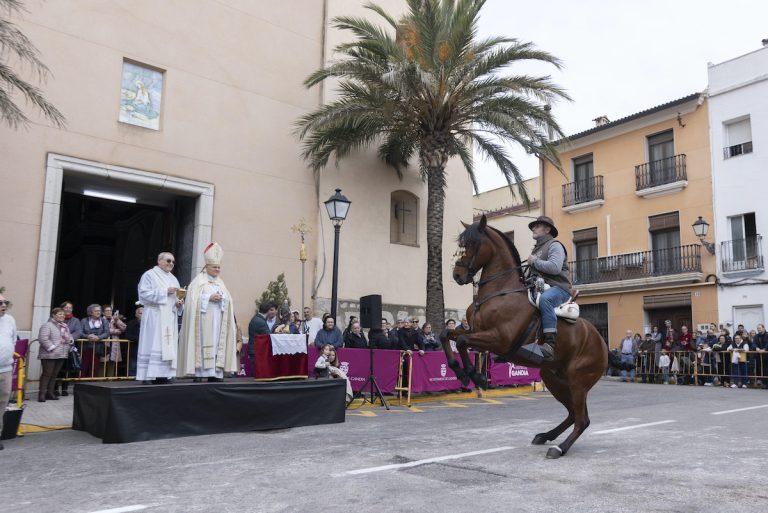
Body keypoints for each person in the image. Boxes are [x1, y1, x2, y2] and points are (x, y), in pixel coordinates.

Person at [178, 243, 238, 382]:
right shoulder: (198, 281)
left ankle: (215, 373)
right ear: (206, 267)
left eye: (219, 267)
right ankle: (199, 373)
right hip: (203, 321)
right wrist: (208, 298)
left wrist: (223, 299)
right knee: (202, 344)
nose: (217, 270)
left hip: (218, 320)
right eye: (214, 267)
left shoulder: (220, 283)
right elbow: (192, 301)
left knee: (217, 344)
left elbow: (228, 300)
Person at [519, 216, 571, 362]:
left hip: (559, 288)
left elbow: (554, 268)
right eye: (533, 226)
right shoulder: (536, 249)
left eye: (537, 226)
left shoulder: (555, 245)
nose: (533, 228)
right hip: (539, 287)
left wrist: (534, 261)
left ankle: (549, 344)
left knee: (545, 300)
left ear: (547, 229)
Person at [135, 252, 184, 384]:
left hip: (169, 316)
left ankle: (164, 375)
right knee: (152, 343)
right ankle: (148, 376)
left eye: (173, 262)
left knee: (166, 346)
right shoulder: (149, 275)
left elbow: (176, 298)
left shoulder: (174, 279)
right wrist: (165, 292)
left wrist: (179, 303)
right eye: (168, 261)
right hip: (154, 316)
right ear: (159, 261)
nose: (171, 264)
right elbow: (143, 295)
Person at [37, 307, 72, 402]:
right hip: (49, 354)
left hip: (61, 353)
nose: (62, 316)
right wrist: (52, 347)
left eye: (63, 315)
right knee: (47, 374)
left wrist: (68, 342)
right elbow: (43, 338)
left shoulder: (64, 326)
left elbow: (68, 338)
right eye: (60, 314)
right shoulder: (47, 325)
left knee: (54, 374)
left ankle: (50, 393)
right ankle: (42, 394)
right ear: (53, 315)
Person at [0, 293, 16, 450]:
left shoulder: (10, 320)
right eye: (0, 303)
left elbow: (12, 340)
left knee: (2, 403)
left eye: (5, 302)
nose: (3, 305)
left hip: (5, 369)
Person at [56, 300, 82, 396]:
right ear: (62, 308)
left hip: (69, 347)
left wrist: (69, 338)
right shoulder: (56, 318)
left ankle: (64, 388)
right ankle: (54, 388)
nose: (68, 309)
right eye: (66, 307)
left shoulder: (75, 320)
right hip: (57, 346)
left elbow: (78, 332)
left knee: (67, 369)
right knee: (57, 369)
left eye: (70, 308)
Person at [81, 304, 109, 377]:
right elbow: (80, 332)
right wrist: (87, 336)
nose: (98, 312)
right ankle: (81, 381)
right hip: (86, 346)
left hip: (98, 347)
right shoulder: (84, 320)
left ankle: (92, 382)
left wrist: (98, 337)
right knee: (84, 365)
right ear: (91, 312)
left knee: (95, 366)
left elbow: (107, 333)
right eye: (96, 311)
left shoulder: (104, 321)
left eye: (99, 310)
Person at [102, 305, 126, 377]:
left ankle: (110, 380)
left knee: (112, 363)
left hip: (114, 344)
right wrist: (115, 331)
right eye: (107, 311)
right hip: (104, 343)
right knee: (102, 363)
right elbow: (103, 331)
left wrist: (117, 320)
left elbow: (124, 328)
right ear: (103, 312)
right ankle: (99, 380)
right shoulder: (101, 320)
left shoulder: (114, 319)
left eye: (110, 310)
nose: (109, 312)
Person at [123, 305, 143, 376]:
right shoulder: (131, 323)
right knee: (133, 367)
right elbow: (128, 335)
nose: (142, 315)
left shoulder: (149, 323)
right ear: (136, 315)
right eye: (140, 313)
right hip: (134, 349)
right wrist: (139, 339)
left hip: (145, 349)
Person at [754, 323, 768, 389]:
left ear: (763, 328)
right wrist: (756, 348)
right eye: (757, 328)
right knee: (760, 368)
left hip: (766, 354)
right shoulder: (756, 336)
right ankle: (764, 383)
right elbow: (754, 343)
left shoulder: (767, 335)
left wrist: (764, 349)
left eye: (759, 328)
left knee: (766, 369)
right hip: (759, 354)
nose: (758, 329)